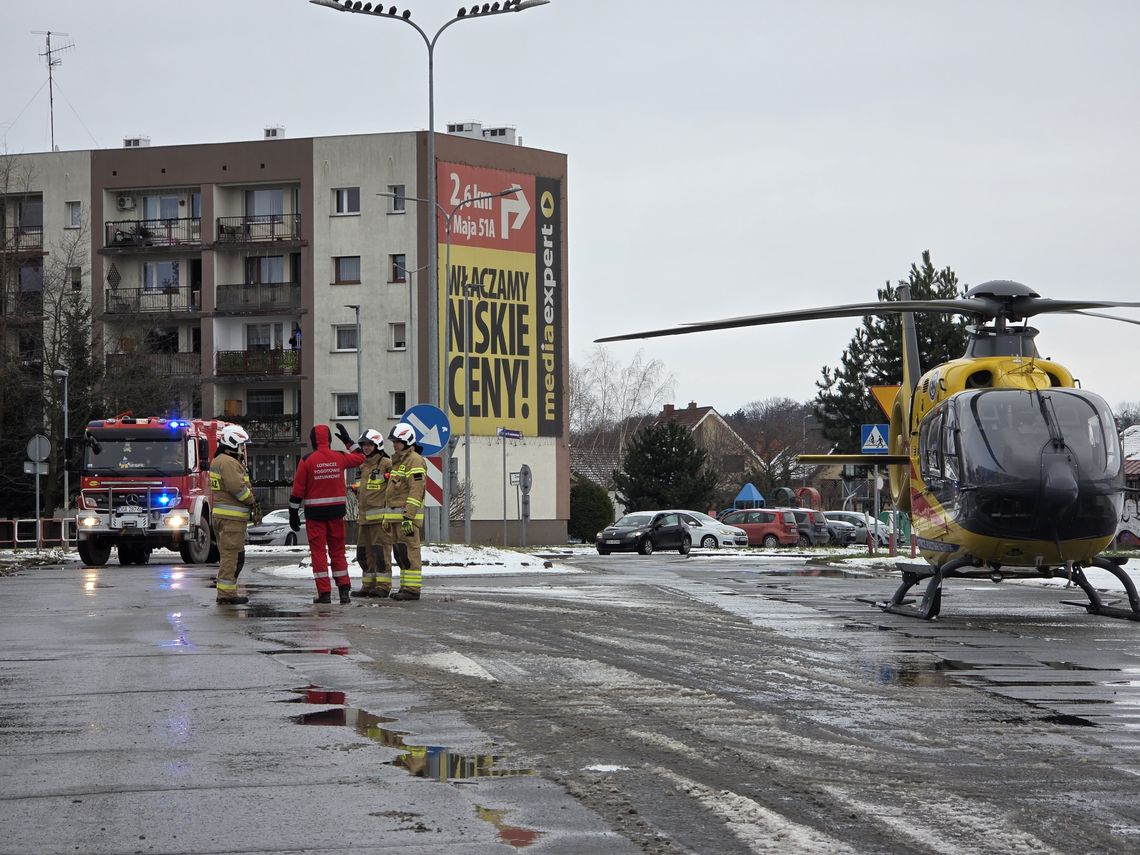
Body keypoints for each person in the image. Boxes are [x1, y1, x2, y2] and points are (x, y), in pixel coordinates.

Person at [289, 423, 365, 604]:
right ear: (330, 440)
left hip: (315, 515)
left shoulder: (307, 460)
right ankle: (344, 591)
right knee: (338, 551)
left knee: (318, 553)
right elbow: (361, 457)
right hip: (337, 512)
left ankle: (324, 593)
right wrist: (348, 441)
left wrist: (293, 511)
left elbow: (298, 489)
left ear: (312, 441)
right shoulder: (339, 457)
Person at [209, 424, 259, 606]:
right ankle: (226, 595)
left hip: (225, 517)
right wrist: (252, 501)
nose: (243, 449)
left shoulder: (220, 460)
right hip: (231, 519)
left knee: (232, 556)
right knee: (231, 557)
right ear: (234, 442)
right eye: (242, 444)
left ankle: (228, 592)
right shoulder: (229, 463)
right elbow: (237, 488)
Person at [383, 422, 427, 601]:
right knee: (401, 553)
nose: (394, 444)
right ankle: (405, 587)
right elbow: (393, 493)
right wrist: (387, 517)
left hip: (406, 518)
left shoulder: (414, 460)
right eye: (394, 441)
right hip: (396, 518)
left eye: (398, 442)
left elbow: (416, 490)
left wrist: (408, 516)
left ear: (408, 442)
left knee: (410, 552)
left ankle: (412, 589)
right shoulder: (399, 462)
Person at [349, 428, 394, 598]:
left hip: (380, 519)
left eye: (369, 445)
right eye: (364, 445)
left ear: (377, 445)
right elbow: (363, 487)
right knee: (363, 554)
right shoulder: (363, 465)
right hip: (364, 518)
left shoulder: (386, 463)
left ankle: (383, 586)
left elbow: (393, 488)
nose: (366, 448)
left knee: (380, 553)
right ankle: (367, 586)